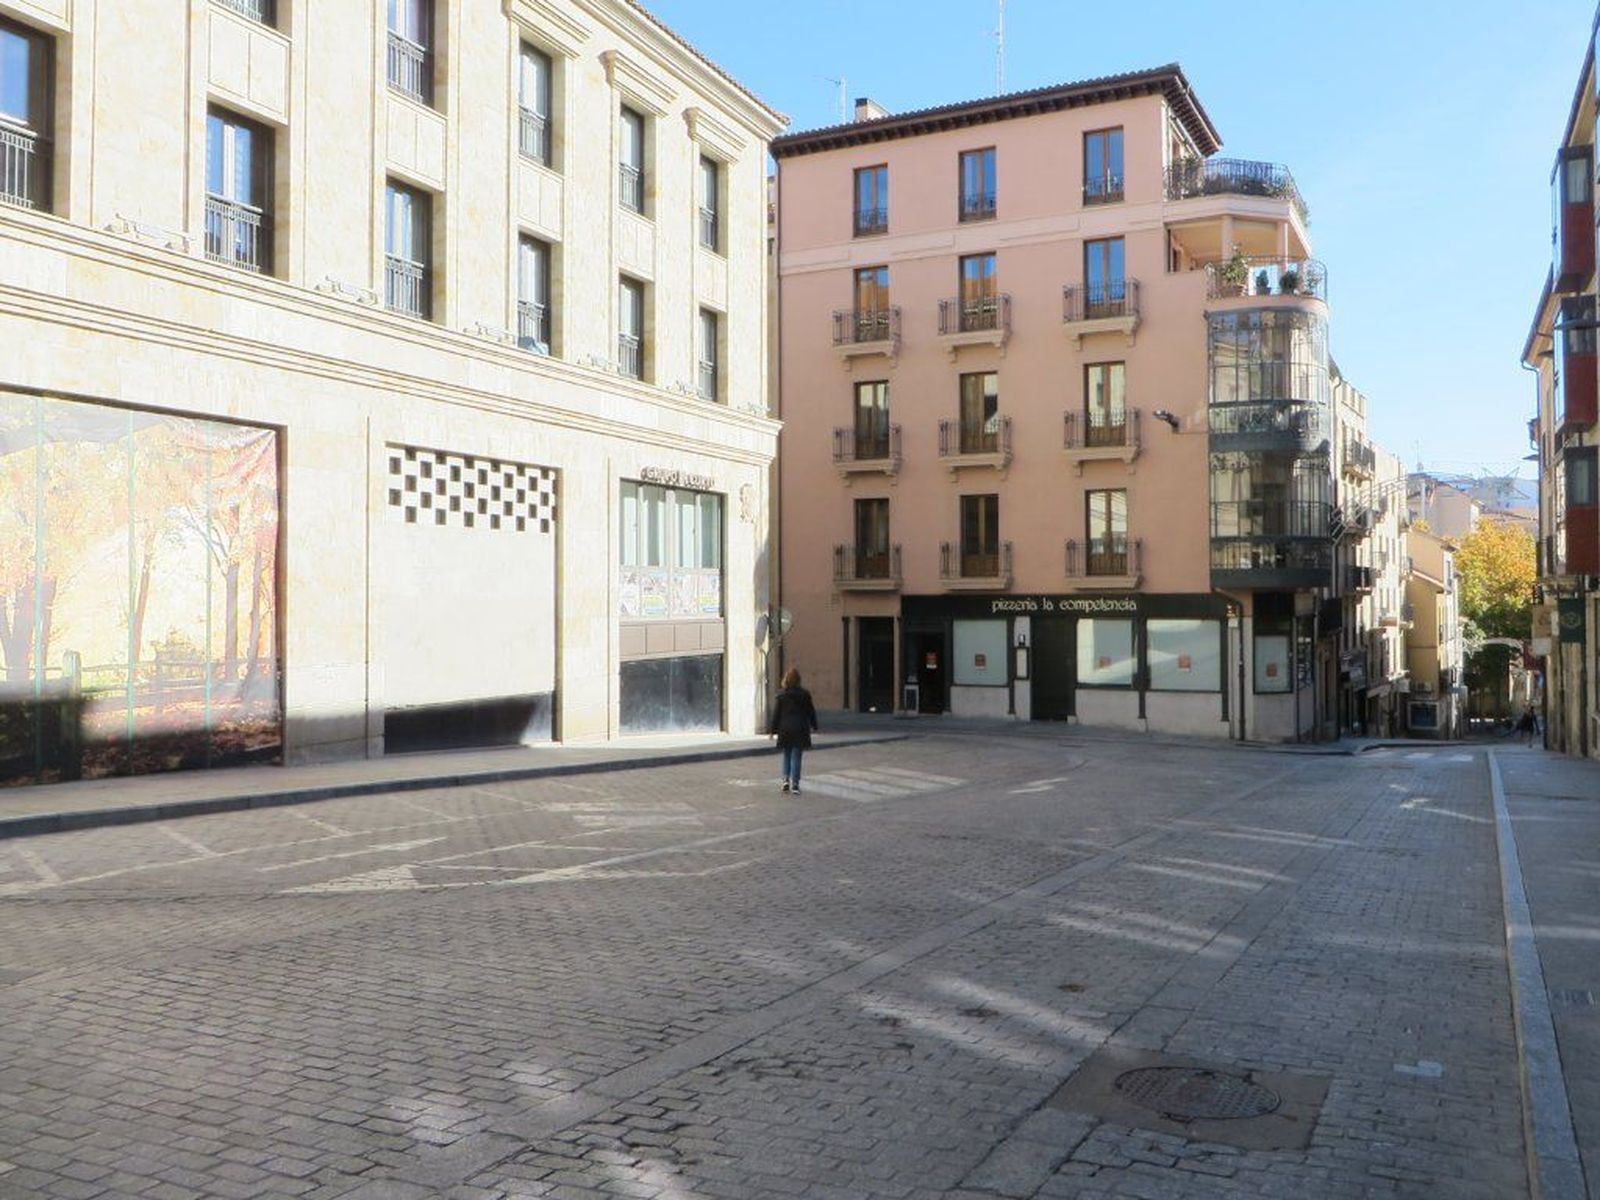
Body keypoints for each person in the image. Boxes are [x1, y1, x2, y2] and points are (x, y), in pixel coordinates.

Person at [769, 667, 819, 794]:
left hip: (785, 728)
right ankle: (795, 784)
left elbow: (776, 714)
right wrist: (814, 726)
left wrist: (772, 730)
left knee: (786, 754)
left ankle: (785, 780)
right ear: (798, 680)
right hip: (800, 727)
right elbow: (810, 711)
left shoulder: (781, 695)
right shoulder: (805, 695)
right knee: (796, 756)